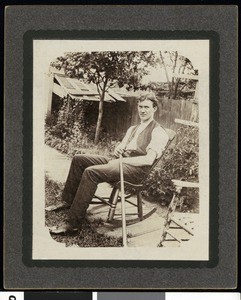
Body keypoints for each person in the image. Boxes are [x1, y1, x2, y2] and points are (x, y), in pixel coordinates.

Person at [48, 92, 169, 234]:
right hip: (120, 163)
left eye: (147, 107)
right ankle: (68, 201)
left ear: (154, 108)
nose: (142, 110)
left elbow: (148, 160)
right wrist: (118, 149)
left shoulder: (158, 132)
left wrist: (122, 160)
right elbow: (121, 146)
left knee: (91, 172)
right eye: (140, 106)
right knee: (79, 159)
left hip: (136, 171)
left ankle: (73, 224)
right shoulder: (133, 129)